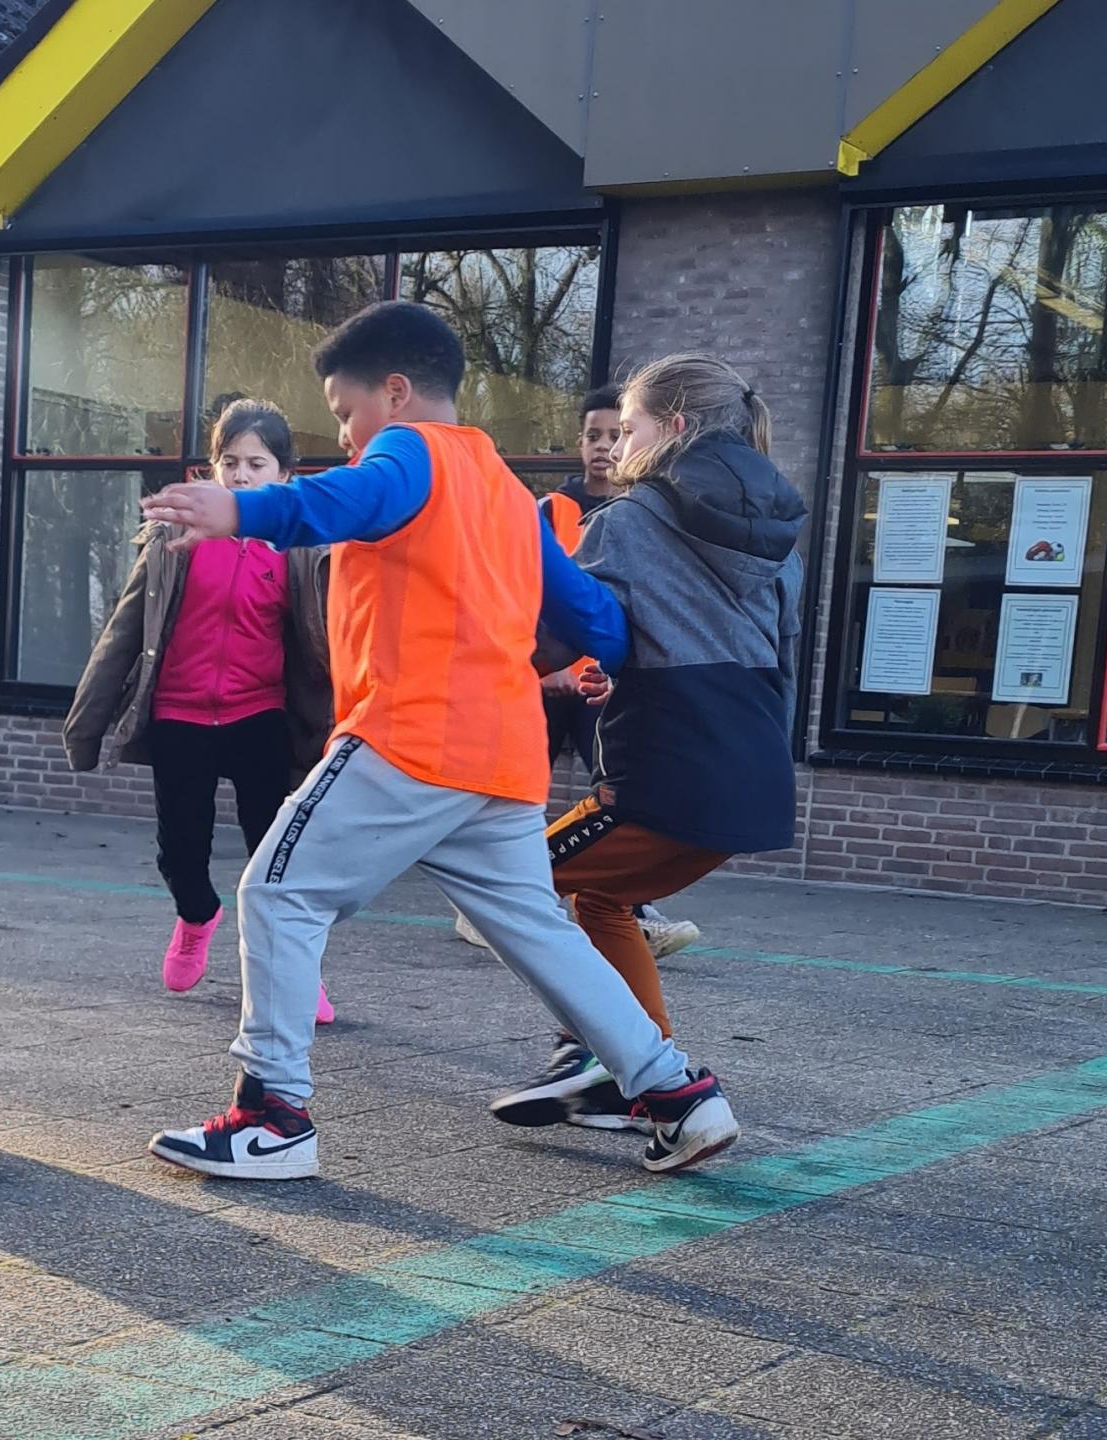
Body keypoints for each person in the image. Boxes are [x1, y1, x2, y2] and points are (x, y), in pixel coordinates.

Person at [140, 302, 738, 1181]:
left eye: (345, 413)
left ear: (396, 390)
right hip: (501, 758)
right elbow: (585, 611)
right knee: (540, 933)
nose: (346, 435)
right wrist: (635, 660)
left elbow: (350, 496)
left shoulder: (406, 451)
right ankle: (676, 1091)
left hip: (411, 736)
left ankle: (271, 1117)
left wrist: (238, 508)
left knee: (276, 891)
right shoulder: (503, 489)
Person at [489, 353, 804, 1131]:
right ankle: (630, 1062)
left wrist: (473, 669)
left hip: (666, 776)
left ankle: (625, 1064)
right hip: (756, 773)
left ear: (675, 428)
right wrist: (624, 670)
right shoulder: (778, 535)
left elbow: (552, 641)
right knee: (601, 894)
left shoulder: (625, 523)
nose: (616, 445)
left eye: (626, 428)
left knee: (508, 879)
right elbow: (750, 643)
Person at [65, 400, 338, 1021]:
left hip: (260, 715)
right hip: (180, 714)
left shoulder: (299, 546)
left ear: (283, 474)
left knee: (275, 859)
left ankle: (296, 974)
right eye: (230, 462)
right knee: (179, 852)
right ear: (212, 468)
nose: (242, 476)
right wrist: (88, 720)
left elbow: (327, 642)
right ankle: (196, 916)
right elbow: (126, 627)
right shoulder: (176, 536)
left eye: (257, 464)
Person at [454, 384, 701, 959]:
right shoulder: (548, 511)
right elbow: (522, 595)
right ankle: (479, 907)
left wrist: (605, 671)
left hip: (601, 687)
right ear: (580, 441)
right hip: (540, 682)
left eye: (618, 434)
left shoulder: (644, 516)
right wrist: (539, 669)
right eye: (594, 435)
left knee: (617, 796)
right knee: (514, 798)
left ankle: (632, 907)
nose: (604, 446)